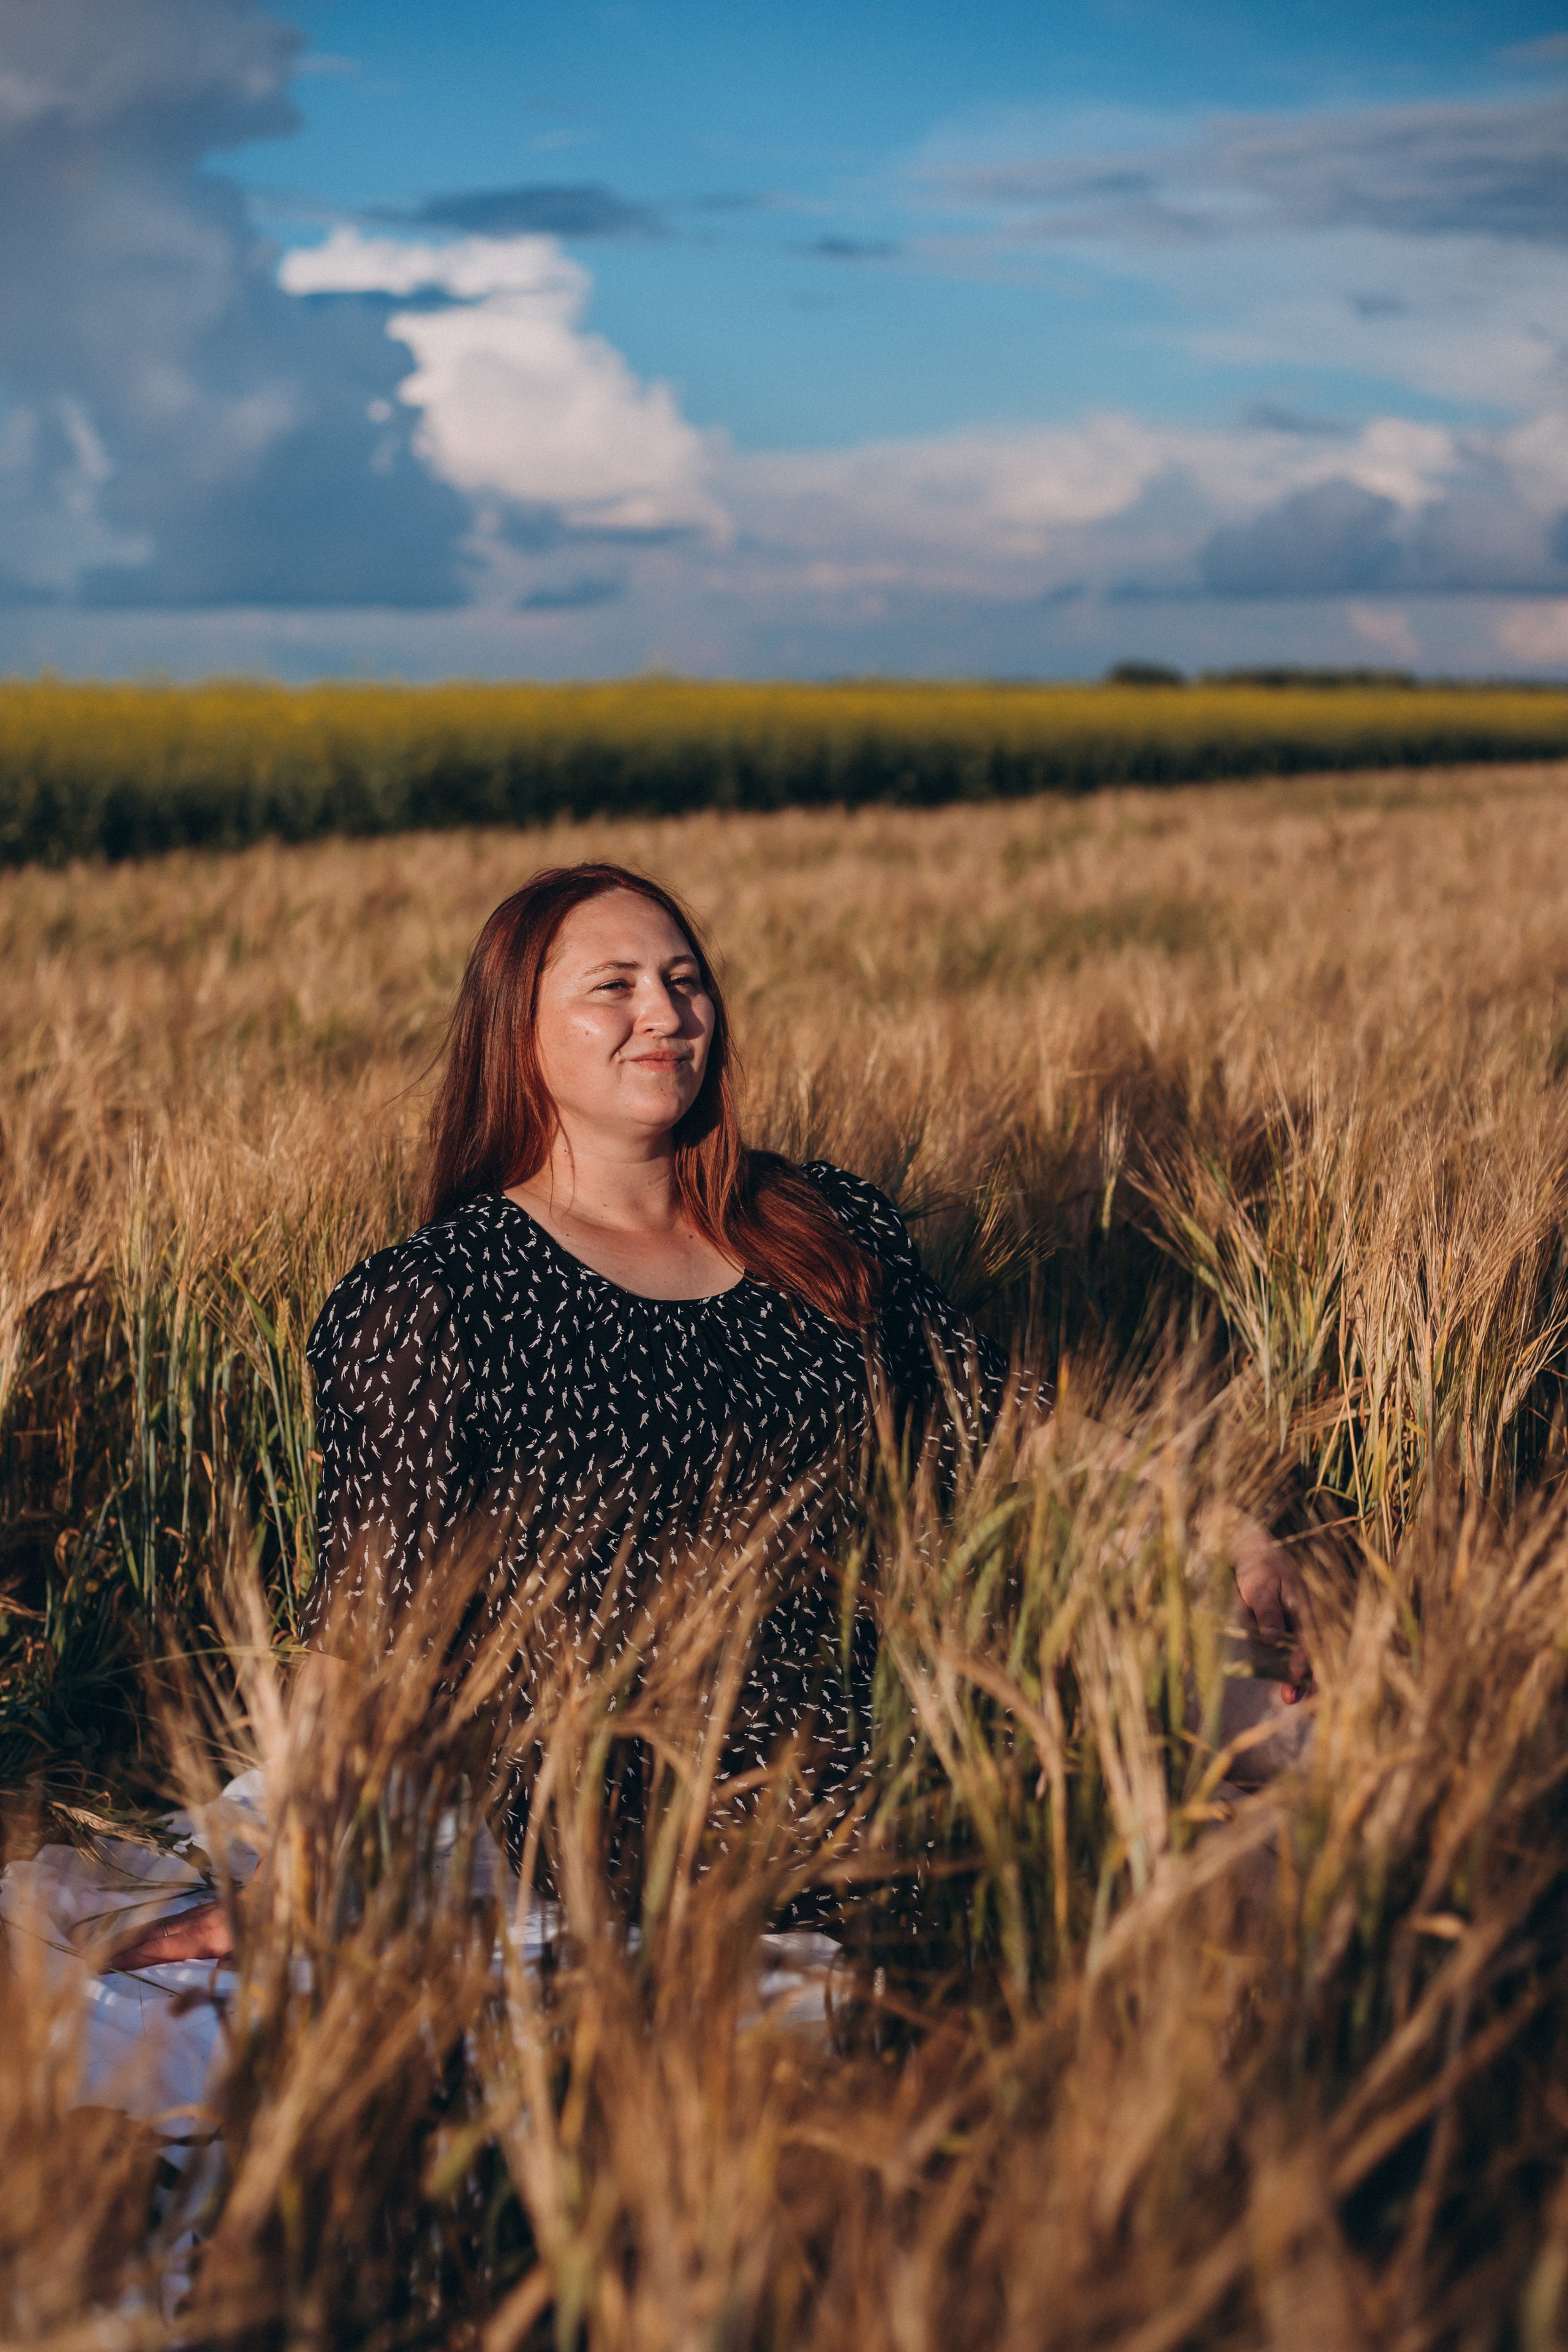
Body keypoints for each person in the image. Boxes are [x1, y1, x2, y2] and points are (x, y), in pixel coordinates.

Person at [111, 861, 1306, 1969]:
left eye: (685, 982)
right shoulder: (435, 1296)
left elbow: (991, 1411)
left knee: (1285, 1727)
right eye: (613, 988)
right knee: (1137, 1805)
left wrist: (1214, 1526)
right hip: (637, 1777)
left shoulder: (809, 1219)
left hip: (883, 1687)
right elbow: (369, 1623)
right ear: (514, 1033)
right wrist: (306, 1870)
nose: (667, 1014)